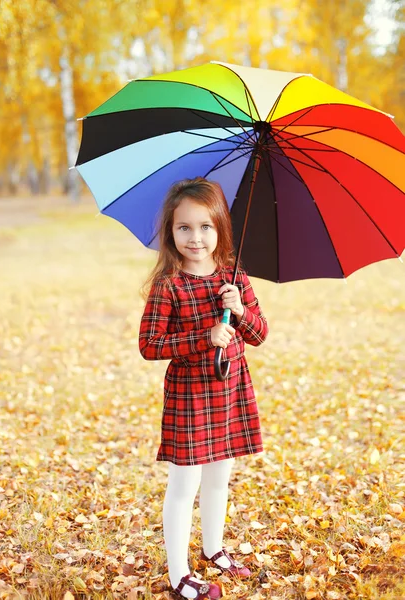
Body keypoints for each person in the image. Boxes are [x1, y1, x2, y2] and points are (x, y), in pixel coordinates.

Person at [138, 177, 268, 600]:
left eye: (205, 227)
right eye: (184, 228)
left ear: (221, 228)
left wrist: (239, 310)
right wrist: (203, 337)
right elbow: (150, 345)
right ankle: (179, 574)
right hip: (191, 397)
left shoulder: (235, 278)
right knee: (185, 485)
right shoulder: (169, 285)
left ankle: (214, 549)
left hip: (229, 391)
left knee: (219, 478)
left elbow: (260, 333)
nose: (196, 238)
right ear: (171, 232)